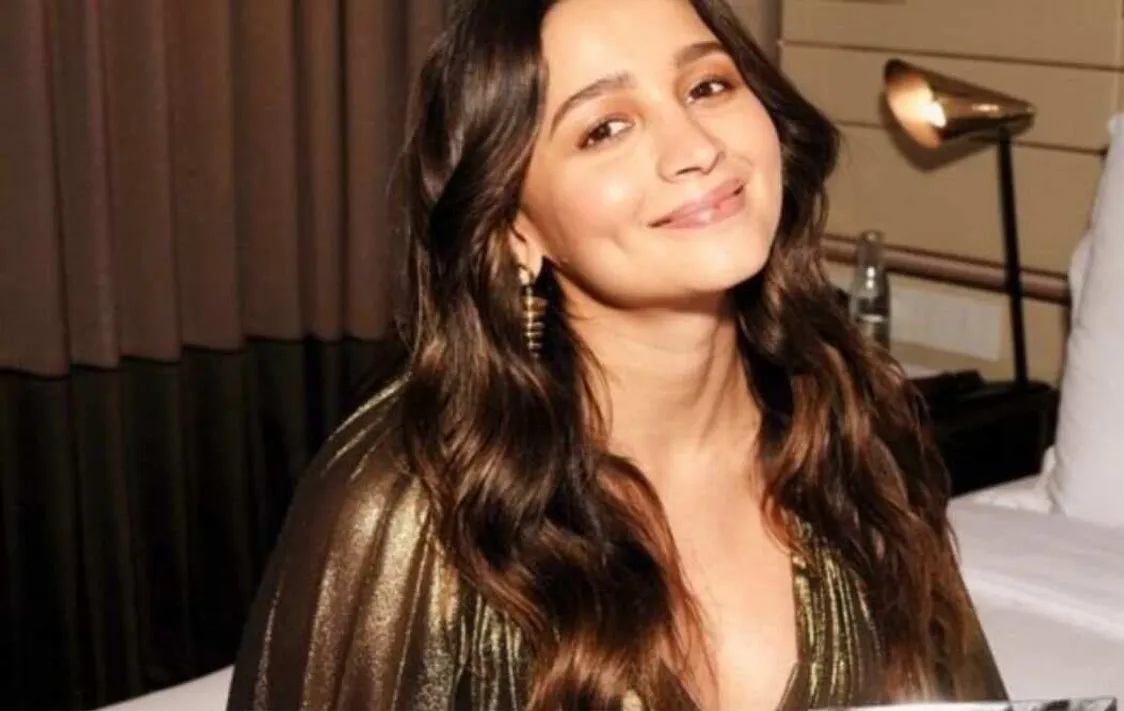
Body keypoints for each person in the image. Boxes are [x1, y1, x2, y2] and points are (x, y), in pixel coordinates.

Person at [226, 0, 1007, 708]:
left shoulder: (848, 423)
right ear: (515, 228)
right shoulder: (410, 509)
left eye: (707, 86)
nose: (694, 148)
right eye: (605, 128)